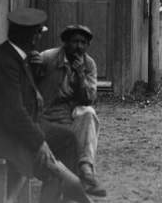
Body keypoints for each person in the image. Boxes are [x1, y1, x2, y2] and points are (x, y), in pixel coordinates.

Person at [0, 8, 92, 203]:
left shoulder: (18, 57)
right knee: (52, 160)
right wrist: (39, 141)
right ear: (33, 37)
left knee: (67, 139)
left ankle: (60, 194)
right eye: (38, 33)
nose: (38, 38)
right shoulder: (5, 62)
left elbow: (28, 100)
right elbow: (14, 112)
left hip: (16, 128)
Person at [37, 25, 107, 197]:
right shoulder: (48, 57)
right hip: (48, 110)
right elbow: (30, 77)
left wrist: (80, 76)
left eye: (83, 43)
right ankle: (72, 184)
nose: (79, 47)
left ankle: (86, 170)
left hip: (71, 110)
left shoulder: (88, 64)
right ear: (65, 43)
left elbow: (88, 98)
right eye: (75, 41)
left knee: (89, 113)